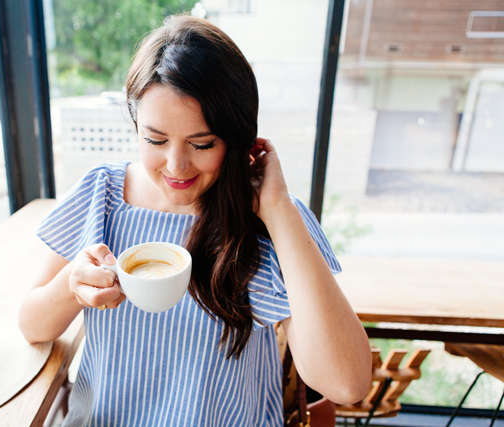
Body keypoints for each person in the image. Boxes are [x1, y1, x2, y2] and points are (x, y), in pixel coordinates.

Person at [19, 14, 371, 427]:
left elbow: (346, 384)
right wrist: (71, 287)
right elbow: (31, 325)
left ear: (237, 138)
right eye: (155, 139)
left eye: (202, 144)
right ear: (135, 123)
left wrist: (276, 209)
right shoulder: (101, 195)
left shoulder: (271, 222)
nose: (176, 166)